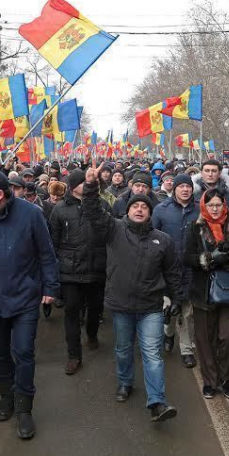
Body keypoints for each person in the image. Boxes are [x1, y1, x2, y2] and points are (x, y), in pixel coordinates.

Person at [83, 163, 182, 422]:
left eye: (144, 206)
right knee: (124, 349)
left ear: (150, 212)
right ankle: (125, 382)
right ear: (128, 210)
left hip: (151, 307)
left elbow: (172, 272)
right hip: (121, 305)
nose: (140, 209)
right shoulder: (114, 229)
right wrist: (92, 185)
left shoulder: (163, 240)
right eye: (135, 206)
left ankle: (157, 401)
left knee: (152, 353)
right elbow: (92, 212)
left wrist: (176, 300)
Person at [0, 171, 59, 440]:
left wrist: (50, 288)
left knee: (23, 351)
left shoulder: (31, 214)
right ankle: (6, 397)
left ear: (0, 194)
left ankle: (24, 407)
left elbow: (46, 253)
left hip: (25, 298)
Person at [183, 188, 229, 400]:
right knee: (205, 340)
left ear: (224, 205)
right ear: (204, 205)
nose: (214, 209)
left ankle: (225, 377)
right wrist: (209, 258)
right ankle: (211, 381)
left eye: (218, 205)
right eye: (210, 205)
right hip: (203, 291)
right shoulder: (196, 227)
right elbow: (187, 257)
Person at [49, 169, 108, 375]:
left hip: (96, 268)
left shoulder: (101, 205)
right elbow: (53, 242)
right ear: (74, 185)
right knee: (71, 312)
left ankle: (92, 334)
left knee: (95, 309)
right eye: (84, 182)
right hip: (70, 271)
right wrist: (56, 268)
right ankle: (74, 355)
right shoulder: (59, 210)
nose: (88, 184)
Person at [152, 173, 199, 368]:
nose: (185, 189)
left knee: (187, 313)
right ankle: (168, 334)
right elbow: (152, 237)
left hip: (190, 268)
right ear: (175, 189)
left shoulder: (199, 211)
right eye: (181, 186)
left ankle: (186, 349)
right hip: (167, 269)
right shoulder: (161, 210)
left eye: (188, 186)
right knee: (169, 309)